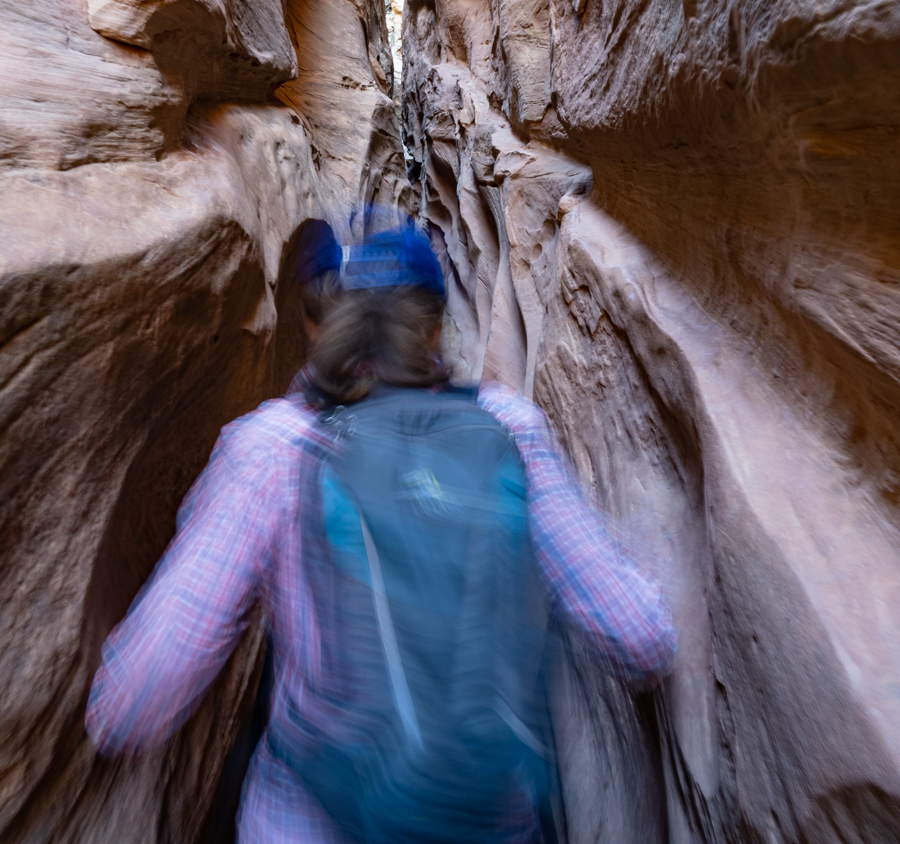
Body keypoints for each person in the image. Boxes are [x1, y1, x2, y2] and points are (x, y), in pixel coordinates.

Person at [86, 224, 677, 844]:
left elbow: (134, 707)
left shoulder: (272, 450)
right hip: (486, 819)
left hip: (307, 820)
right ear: (435, 327)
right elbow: (639, 638)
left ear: (312, 324)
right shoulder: (511, 429)